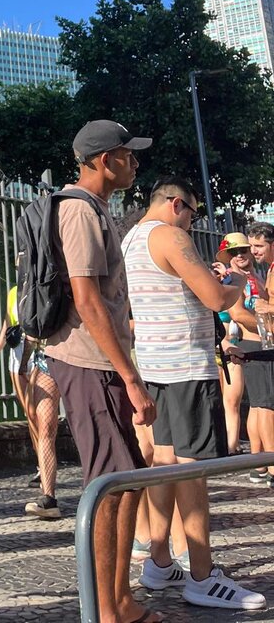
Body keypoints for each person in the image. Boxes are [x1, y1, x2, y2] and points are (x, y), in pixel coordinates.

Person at [122, 178, 266, 611]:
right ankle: (202, 576)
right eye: (193, 212)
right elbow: (215, 298)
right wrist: (237, 282)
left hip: (154, 365)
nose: (192, 221)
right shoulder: (170, 235)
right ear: (175, 204)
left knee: (164, 463)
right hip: (185, 365)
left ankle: (159, 561)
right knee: (192, 470)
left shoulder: (131, 239)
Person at [44, 120, 158, 623]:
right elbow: (87, 300)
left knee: (125, 481)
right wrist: (130, 378)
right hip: (89, 363)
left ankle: (119, 599)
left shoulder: (96, 209)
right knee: (111, 486)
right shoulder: (79, 210)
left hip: (100, 361)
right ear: (106, 160)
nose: (135, 162)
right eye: (128, 155)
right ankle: (108, 608)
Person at [0, 287, 62, 519]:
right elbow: (7, 323)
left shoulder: (45, 286)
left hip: (40, 354)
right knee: (31, 415)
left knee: (43, 421)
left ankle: (46, 477)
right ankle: (41, 466)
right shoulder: (14, 292)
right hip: (18, 355)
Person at [229, 221, 274, 488]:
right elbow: (237, 313)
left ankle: (259, 465)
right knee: (265, 405)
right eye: (235, 252)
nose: (246, 254)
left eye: (249, 248)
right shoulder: (235, 277)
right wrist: (267, 321)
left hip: (259, 344)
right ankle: (269, 465)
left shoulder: (259, 273)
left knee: (259, 405)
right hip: (255, 344)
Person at [212, 233, 263, 456]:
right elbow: (236, 313)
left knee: (246, 401)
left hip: (242, 343)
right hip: (229, 343)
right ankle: (231, 448)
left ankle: (236, 447)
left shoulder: (254, 277)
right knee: (232, 399)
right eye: (234, 252)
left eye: (243, 250)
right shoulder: (229, 279)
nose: (240, 255)